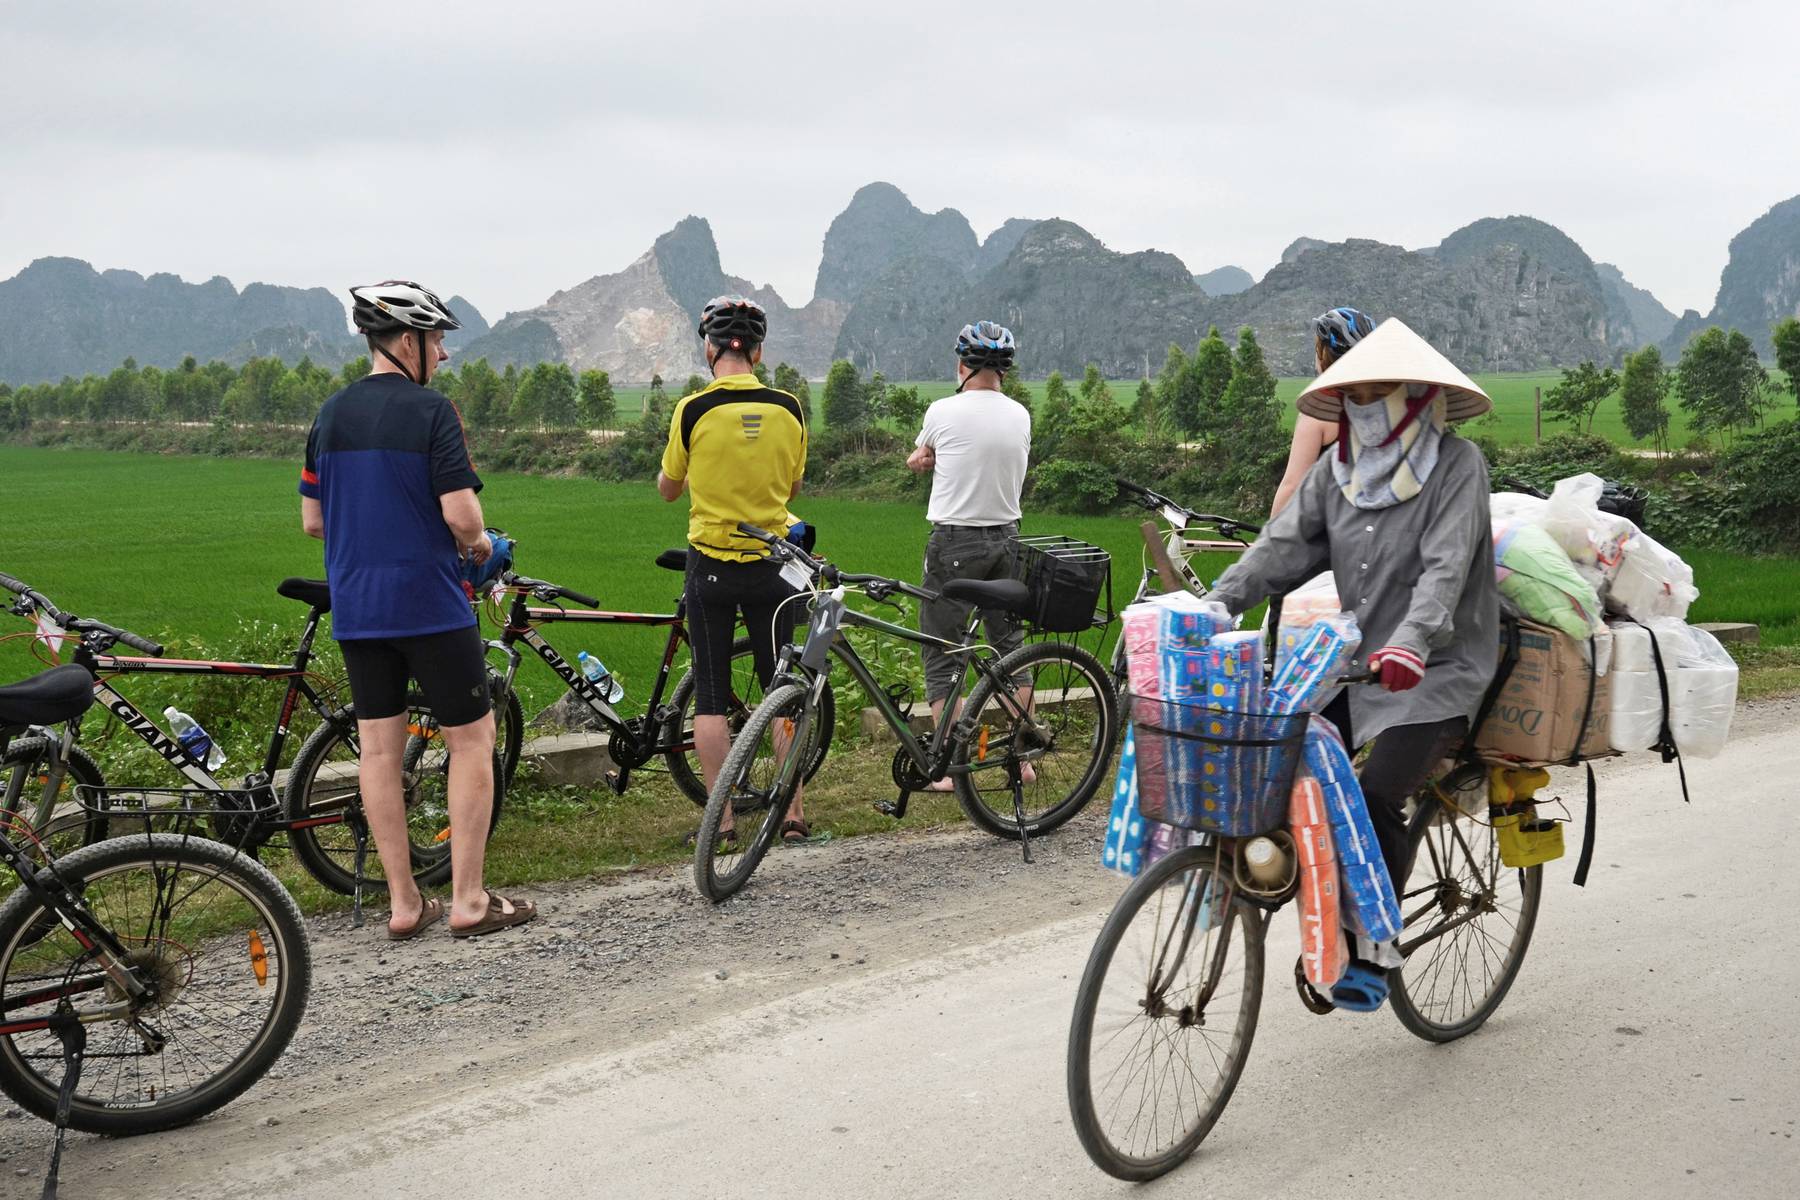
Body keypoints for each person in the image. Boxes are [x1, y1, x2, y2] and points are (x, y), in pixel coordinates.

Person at [1205, 317, 1498, 1012]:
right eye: (1354, 393)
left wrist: (1414, 640)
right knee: (1269, 762)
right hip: (1358, 663)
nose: (1364, 406)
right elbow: (1281, 547)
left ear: (1418, 395)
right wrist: (1213, 606)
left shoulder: (1458, 467)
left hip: (1437, 666)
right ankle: (1303, 889)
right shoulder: (1335, 474)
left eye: (1378, 391)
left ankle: (1372, 948)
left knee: (1373, 795)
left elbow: (1445, 569)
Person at [299, 280, 535, 939]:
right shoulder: (434, 413)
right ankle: (467, 900)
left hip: (358, 608)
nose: (444, 355)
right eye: (438, 341)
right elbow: (462, 516)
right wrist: (484, 543)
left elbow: (313, 521)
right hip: (430, 604)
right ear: (408, 343)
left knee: (378, 749)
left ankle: (404, 905)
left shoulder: (330, 414)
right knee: (472, 739)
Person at [657, 296, 811, 842]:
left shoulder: (692, 410)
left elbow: (669, 489)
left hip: (711, 568)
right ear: (760, 351)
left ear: (710, 348)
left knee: (712, 697)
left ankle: (720, 821)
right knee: (782, 687)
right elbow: (792, 487)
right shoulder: (789, 408)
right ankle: (792, 814)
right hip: (773, 568)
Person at [906, 321, 1032, 788]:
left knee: (942, 651)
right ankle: (1024, 756)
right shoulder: (1020, 414)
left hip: (954, 544)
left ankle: (948, 766)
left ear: (962, 366)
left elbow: (919, 457)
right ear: (1004, 372)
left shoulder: (942, 410)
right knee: (1009, 649)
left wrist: (921, 459)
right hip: (1007, 540)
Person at [1270, 307, 1377, 517]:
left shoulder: (1318, 411)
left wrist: (1269, 543)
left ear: (1323, 354)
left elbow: (1292, 486)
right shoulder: (1384, 405)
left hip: (1336, 530)